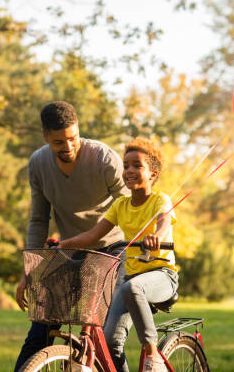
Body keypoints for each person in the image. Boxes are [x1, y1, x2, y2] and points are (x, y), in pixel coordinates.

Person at [14, 101, 128, 372]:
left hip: (112, 248)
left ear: (78, 130)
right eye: (58, 142)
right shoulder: (38, 164)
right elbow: (39, 220)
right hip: (70, 248)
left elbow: (129, 208)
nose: (67, 146)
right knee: (40, 331)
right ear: (45, 136)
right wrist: (30, 270)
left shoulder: (103, 158)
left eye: (72, 138)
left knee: (109, 337)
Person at [59, 137, 178, 372]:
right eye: (126, 165)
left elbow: (164, 223)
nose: (129, 170)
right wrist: (65, 243)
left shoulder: (160, 200)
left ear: (153, 174)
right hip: (131, 281)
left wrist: (157, 237)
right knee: (110, 342)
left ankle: (153, 357)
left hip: (163, 276)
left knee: (131, 288)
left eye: (137, 165)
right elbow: (93, 235)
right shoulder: (121, 205)